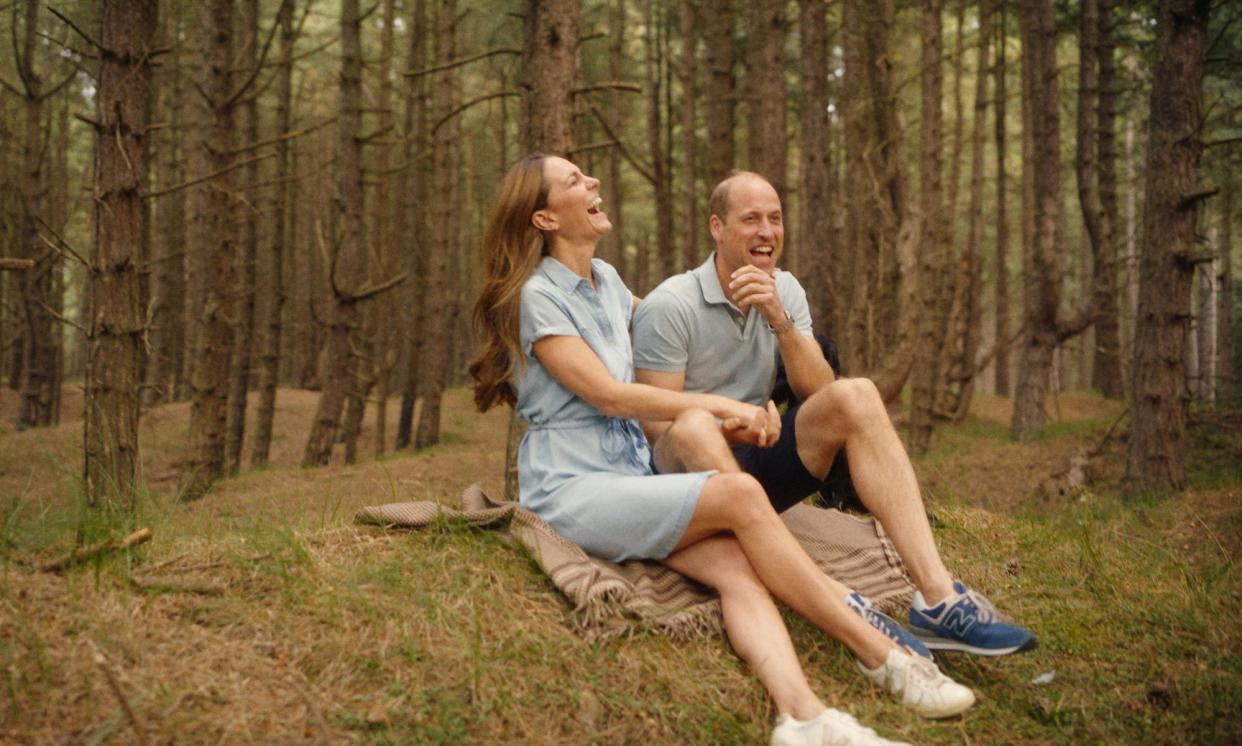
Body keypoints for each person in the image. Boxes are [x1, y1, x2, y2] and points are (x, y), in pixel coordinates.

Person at [469, 155, 974, 746]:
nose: (593, 182)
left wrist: (752, 386)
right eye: (575, 181)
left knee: (737, 570)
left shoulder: (606, 282)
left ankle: (802, 716)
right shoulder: (536, 297)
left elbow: (664, 328)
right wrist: (720, 407)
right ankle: (879, 650)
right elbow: (607, 395)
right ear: (544, 217)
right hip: (573, 487)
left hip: (634, 479)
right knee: (738, 494)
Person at [631, 170, 1037, 658]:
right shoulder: (671, 305)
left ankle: (938, 597)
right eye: (751, 219)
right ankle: (835, 599)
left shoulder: (788, 291)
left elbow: (819, 393)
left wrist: (779, 319)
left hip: (758, 461)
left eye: (776, 219)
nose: (767, 232)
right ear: (717, 228)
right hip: (690, 481)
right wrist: (726, 424)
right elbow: (655, 427)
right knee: (694, 428)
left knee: (858, 394)